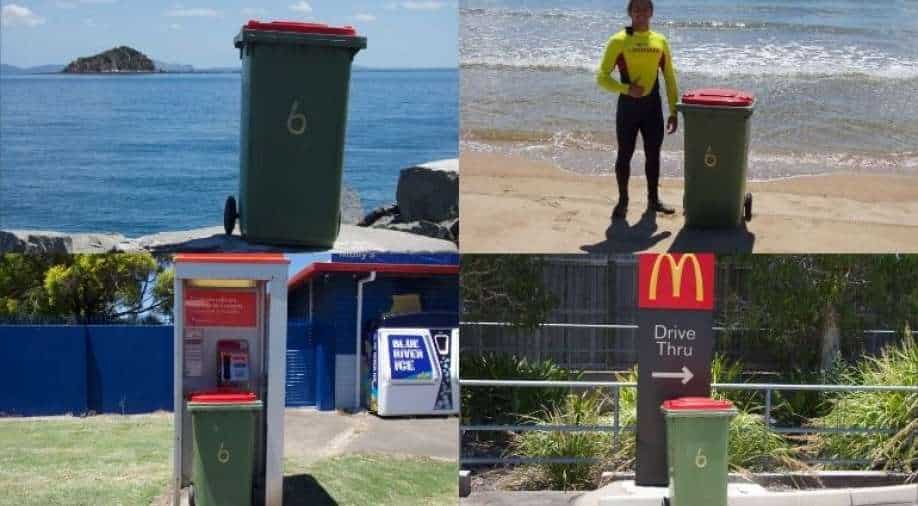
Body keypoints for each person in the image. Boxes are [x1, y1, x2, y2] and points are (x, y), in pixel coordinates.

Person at [596, 0, 679, 218]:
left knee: (654, 155)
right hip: (628, 109)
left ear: (651, 12)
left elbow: (669, 77)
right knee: (625, 154)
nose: (641, 12)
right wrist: (626, 88)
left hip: (653, 108)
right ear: (629, 12)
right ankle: (623, 200)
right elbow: (602, 77)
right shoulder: (618, 41)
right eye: (636, 8)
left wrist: (673, 110)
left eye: (645, 8)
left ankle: (653, 201)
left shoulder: (660, 40)